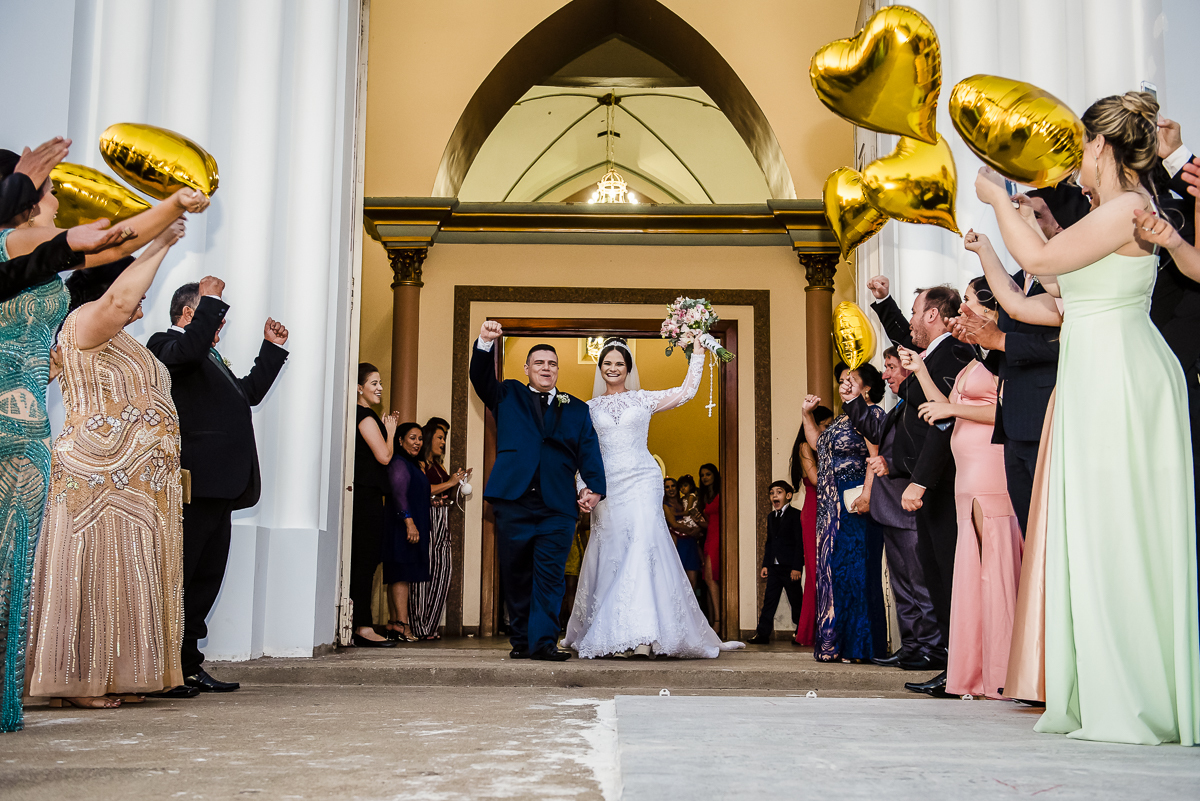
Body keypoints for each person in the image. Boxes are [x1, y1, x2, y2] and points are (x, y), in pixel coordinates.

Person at [977, 91, 1198, 745]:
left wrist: (994, 197)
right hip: (1093, 374)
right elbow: (1047, 288)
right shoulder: (1111, 211)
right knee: (1098, 534)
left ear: (1100, 146)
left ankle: (1135, 693)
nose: (1073, 159)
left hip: (1121, 378)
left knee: (1121, 533)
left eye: (1079, 145)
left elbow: (1043, 263)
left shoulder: (1130, 205)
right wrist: (1004, 233)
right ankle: (1106, 680)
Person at [0, 158, 157, 733]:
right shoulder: (13, 244)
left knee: (11, 568)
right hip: (11, 420)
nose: (61, 204)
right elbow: (93, 264)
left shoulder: (43, 270)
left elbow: (101, 265)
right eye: (49, 195)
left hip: (29, 430)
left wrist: (164, 221)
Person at [26, 217, 194, 709]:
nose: (138, 299)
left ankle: (114, 673)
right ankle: (78, 682)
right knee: (97, 573)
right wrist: (159, 241)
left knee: (122, 574)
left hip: (132, 485)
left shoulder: (116, 337)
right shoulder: (84, 321)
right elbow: (119, 302)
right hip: (101, 477)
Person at [146, 278, 289, 694]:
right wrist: (212, 300)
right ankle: (164, 670)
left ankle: (189, 665)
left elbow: (246, 395)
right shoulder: (164, 345)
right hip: (194, 485)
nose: (220, 327)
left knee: (206, 581)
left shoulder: (208, 356)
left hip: (220, 488)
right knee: (182, 577)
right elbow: (187, 353)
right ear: (190, 314)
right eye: (214, 318)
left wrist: (271, 350)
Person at [563, 337, 741, 658]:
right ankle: (618, 634)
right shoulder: (589, 409)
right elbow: (581, 455)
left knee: (642, 549)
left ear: (628, 369)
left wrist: (697, 353)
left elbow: (686, 392)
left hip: (643, 481)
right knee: (615, 554)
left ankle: (644, 636)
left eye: (619, 363)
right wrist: (583, 488)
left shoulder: (643, 399)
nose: (613, 368)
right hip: (608, 488)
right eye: (607, 363)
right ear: (600, 368)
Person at [901, 276, 1023, 700]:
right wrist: (919, 372)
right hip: (966, 478)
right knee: (968, 573)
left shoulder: (985, 353)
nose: (961, 312)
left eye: (968, 303)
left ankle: (1003, 667)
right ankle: (969, 668)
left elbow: (1001, 409)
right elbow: (943, 409)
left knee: (992, 571)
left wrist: (950, 408)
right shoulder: (974, 356)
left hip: (986, 472)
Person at [470, 323, 606, 661]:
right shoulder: (507, 395)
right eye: (540, 363)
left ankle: (544, 642)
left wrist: (594, 488)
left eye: (552, 364)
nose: (547, 368)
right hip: (512, 501)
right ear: (527, 369)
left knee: (550, 577)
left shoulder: (576, 409)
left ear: (558, 370)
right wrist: (485, 342)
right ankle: (521, 641)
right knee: (516, 576)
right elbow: (480, 378)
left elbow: (589, 451)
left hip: (557, 504)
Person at [865, 276, 974, 686]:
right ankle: (955, 668)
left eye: (915, 312)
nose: (910, 322)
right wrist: (886, 302)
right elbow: (907, 338)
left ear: (932, 314)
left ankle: (957, 669)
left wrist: (921, 482)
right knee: (935, 574)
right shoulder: (934, 353)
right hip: (927, 482)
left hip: (941, 483)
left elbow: (941, 428)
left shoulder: (955, 353)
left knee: (945, 576)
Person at [848, 347, 939, 670]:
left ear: (909, 369)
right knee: (902, 585)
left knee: (920, 583)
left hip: (908, 506)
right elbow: (875, 432)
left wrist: (891, 463)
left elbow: (923, 450)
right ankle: (912, 645)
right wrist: (852, 401)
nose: (885, 374)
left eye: (890, 367)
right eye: (884, 367)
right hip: (890, 510)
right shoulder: (899, 407)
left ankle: (932, 647)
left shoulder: (919, 406)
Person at [801, 362, 887, 663]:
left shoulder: (871, 415)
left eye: (851, 380)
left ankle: (861, 647)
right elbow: (817, 444)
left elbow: (875, 456)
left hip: (854, 504)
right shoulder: (841, 419)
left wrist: (867, 494)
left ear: (867, 386)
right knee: (834, 572)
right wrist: (806, 414)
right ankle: (835, 644)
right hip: (830, 505)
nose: (844, 384)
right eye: (841, 380)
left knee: (856, 572)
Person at [350, 363, 397, 648]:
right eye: (374, 383)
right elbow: (384, 457)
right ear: (359, 388)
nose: (380, 387)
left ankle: (360, 623)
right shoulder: (365, 416)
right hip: (366, 498)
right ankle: (363, 626)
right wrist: (390, 431)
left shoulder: (360, 414)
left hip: (363, 495)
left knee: (364, 561)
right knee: (365, 562)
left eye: (380, 382)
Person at [411, 416, 470, 641]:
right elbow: (423, 490)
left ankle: (430, 626)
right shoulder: (419, 463)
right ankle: (419, 626)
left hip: (442, 519)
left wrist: (458, 481)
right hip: (427, 519)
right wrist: (451, 482)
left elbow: (444, 490)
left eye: (444, 438)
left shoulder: (437, 464)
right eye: (440, 437)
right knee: (424, 572)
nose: (443, 442)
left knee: (442, 572)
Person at [383, 422, 430, 642]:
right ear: (400, 440)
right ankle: (402, 624)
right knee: (400, 573)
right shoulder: (399, 462)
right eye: (412, 438)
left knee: (402, 573)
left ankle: (394, 622)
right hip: (402, 525)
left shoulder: (412, 464)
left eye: (420, 439)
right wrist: (409, 522)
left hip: (410, 523)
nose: (417, 443)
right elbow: (399, 494)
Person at [789, 406, 832, 647]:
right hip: (814, 510)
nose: (828, 430)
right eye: (825, 425)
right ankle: (810, 630)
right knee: (816, 571)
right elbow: (815, 479)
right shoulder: (806, 446)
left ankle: (828, 626)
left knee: (828, 569)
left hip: (826, 508)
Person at [748, 481, 803, 645]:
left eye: (778, 492)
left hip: (790, 568)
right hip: (774, 567)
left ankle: (800, 633)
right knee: (769, 600)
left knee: (796, 601)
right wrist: (766, 564)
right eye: (771, 493)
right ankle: (762, 633)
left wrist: (796, 567)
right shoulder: (771, 517)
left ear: (788, 496)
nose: (774, 496)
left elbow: (800, 543)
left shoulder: (796, 515)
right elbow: (769, 542)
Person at [663, 476, 701, 590]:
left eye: (673, 486)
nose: (671, 489)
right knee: (678, 579)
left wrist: (698, 529)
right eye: (667, 487)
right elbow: (674, 524)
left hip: (691, 544)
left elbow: (696, 518)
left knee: (692, 580)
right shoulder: (665, 505)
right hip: (678, 543)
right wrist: (692, 531)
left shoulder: (685, 501)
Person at [697, 463, 722, 629]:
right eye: (702, 475)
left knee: (712, 578)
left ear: (714, 475)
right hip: (708, 537)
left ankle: (718, 622)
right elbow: (708, 524)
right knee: (707, 579)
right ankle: (712, 621)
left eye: (708, 474)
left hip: (718, 538)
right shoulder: (705, 496)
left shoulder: (722, 493)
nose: (705, 478)